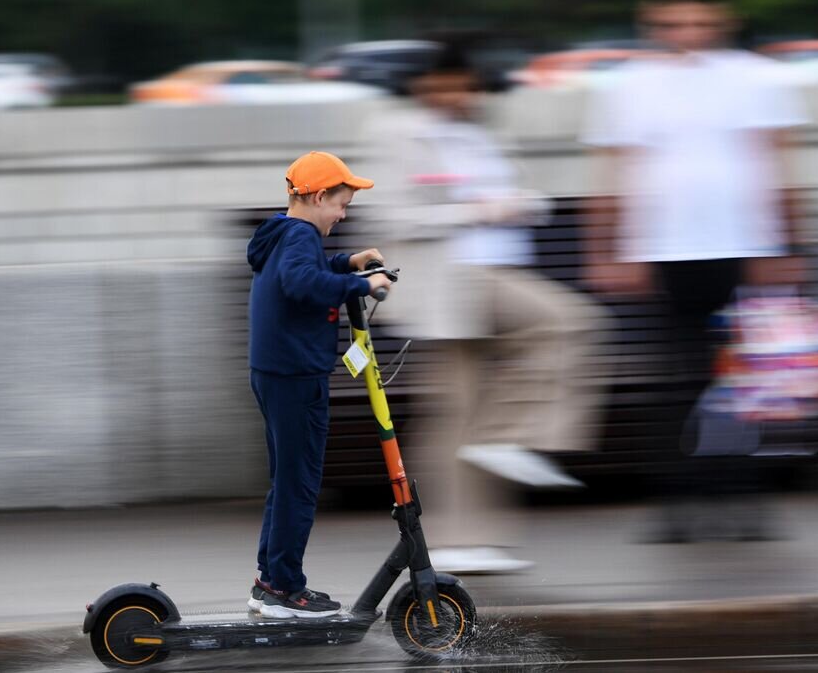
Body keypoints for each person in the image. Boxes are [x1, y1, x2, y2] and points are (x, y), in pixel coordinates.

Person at [365, 35, 608, 573]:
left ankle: (473, 539)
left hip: (495, 272)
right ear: (420, 84)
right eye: (443, 84)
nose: (455, 94)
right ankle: (507, 443)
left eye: (464, 84)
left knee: (456, 415)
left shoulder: (480, 132)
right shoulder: (398, 133)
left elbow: (518, 192)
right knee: (567, 322)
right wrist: (477, 210)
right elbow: (397, 218)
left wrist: (520, 204)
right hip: (451, 284)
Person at [582, 0, 806, 541]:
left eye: (701, 21)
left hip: (740, 244)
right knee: (677, 379)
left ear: (724, 22)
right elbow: (616, 170)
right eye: (675, 23)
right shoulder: (630, 83)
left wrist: (785, 244)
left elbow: (776, 161)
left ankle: (743, 496)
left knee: (740, 377)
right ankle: (679, 501)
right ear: (652, 25)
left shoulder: (757, 76)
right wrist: (606, 249)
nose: (689, 32)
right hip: (665, 247)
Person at [245, 151, 392, 616]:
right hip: (294, 377)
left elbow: (305, 271)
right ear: (316, 196)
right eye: (341, 204)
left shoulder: (284, 232)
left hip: (275, 372)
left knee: (287, 480)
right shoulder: (301, 234)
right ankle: (284, 589)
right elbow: (300, 282)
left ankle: (272, 580)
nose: (343, 214)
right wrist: (363, 286)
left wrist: (348, 262)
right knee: (300, 484)